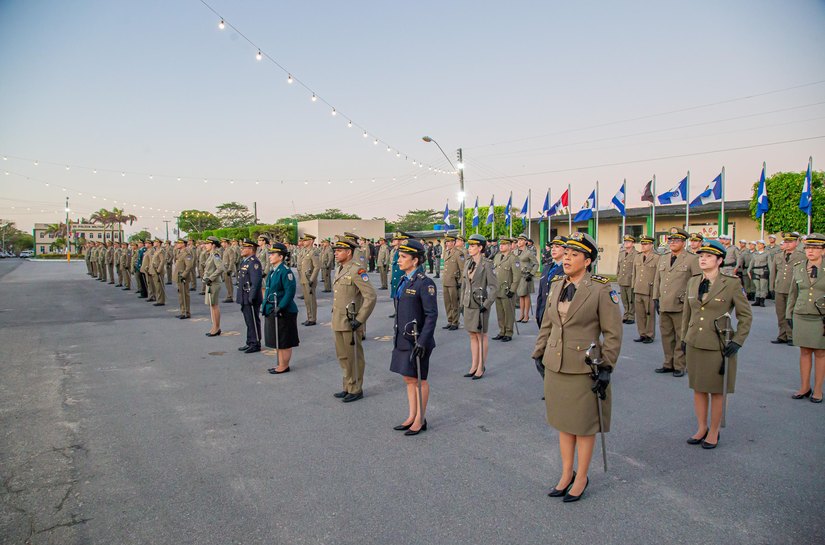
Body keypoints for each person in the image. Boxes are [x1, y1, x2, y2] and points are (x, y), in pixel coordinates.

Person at [532, 232, 622, 502]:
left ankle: (581, 476)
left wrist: (606, 366)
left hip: (584, 367)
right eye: (566, 253)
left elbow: (613, 333)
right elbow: (548, 323)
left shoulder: (601, 289)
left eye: (574, 255)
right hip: (556, 363)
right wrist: (538, 353)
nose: (567, 258)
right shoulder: (557, 283)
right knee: (563, 423)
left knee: (582, 426)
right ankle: (565, 473)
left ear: (588, 260)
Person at [681, 239, 752, 449]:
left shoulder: (731, 284)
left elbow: (746, 315)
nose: (703, 259)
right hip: (695, 342)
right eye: (701, 255)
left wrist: (738, 341)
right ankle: (701, 427)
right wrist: (684, 338)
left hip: (719, 345)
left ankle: (714, 430)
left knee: (717, 390)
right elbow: (688, 313)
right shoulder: (693, 282)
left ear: (720, 260)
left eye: (709, 256)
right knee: (698, 388)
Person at [390, 240, 438, 436]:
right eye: (399, 256)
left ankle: (420, 419)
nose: (398, 260)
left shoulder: (424, 283)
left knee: (419, 379)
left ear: (415, 260)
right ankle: (412, 415)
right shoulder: (404, 280)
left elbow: (431, 315)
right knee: (409, 378)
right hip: (403, 337)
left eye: (403, 257)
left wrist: (423, 342)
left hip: (418, 340)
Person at [331, 237, 377, 402]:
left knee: (354, 357)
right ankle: (347, 385)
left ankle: (356, 388)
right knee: (343, 356)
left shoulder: (357, 270)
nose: (336, 253)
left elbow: (370, 296)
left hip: (351, 321)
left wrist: (360, 319)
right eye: (335, 251)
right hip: (338, 319)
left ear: (349, 252)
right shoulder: (340, 269)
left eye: (339, 251)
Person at [652, 227, 701, 377]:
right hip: (665, 303)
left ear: (684, 242)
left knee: (681, 336)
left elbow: (698, 282)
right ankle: (668, 363)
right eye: (670, 240)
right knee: (666, 336)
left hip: (681, 305)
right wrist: (655, 297)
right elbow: (657, 279)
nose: (672, 243)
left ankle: (680, 365)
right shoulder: (664, 257)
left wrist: (692, 301)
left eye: (676, 240)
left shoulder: (692, 259)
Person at [786, 233, 825, 403]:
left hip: (821, 316)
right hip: (801, 313)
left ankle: (817, 389)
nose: (810, 251)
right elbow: (793, 292)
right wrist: (789, 313)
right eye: (808, 247)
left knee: (821, 353)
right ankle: (804, 387)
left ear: (823, 251)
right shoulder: (799, 266)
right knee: (804, 351)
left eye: (815, 248)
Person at [461, 234, 497, 379]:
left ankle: (481, 366)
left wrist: (487, 304)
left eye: (473, 246)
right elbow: (464, 284)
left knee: (481, 335)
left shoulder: (487, 264)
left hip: (480, 304)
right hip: (468, 303)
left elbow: (494, 288)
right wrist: (462, 303)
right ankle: (474, 365)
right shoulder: (468, 262)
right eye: (469, 246)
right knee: (472, 334)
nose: (470, 248)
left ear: (480, 247)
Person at [262, 242, 299, 374]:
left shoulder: (285, 271)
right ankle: (280, 363)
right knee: (277, 338)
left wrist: (281, 306)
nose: (270, 256)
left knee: (284, 339)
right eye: (270, 254)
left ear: (281, 257)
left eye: (273, 254)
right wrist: (264, 305)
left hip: (285, 311)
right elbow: (267, 291)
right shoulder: (273, 271)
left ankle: (284, 365)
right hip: (273, 308)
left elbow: (290, 292)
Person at [770, 232, 806, 345]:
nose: (787, 244)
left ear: (796, 242)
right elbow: (773, 272)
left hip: (794, 289)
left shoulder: (801, 256)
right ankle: (782, 335)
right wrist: (771, 287)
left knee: (790, 313)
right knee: (780, 313)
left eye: (790, 242)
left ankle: (791, 336)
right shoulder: (778, 255)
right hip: (780, 287)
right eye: (786, 242)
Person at [236, 239, 263, 353]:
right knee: (248, 320)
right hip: (244, 295)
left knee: (252, 320)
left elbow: (256, 282)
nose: (242, 250)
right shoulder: (245, 261)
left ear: (251, 249)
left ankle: (255, 343)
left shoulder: (254, 262)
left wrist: (251, 296)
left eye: (244, 248)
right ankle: (250, 341)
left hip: (250, 297)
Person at [492, 237, 521, 342]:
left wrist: (513, 290)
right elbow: (494, 272)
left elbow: (517, 276)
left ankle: (508, 332)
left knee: (508, 313)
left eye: (504, 244)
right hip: (497, 289)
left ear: (509, 246)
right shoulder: (497, 256)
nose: (501, 246)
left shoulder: (513, 258)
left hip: (507, 289)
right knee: (500, 312)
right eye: (501, 244)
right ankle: (502, 331)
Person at [632, 235, 658, 343]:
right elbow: (634, 273)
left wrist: (656, 292)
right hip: (638, 289)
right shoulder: (637, 256)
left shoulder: (657, 257)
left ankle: (649, 335)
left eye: (645, 244)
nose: (643, 246)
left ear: (651, 245)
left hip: (649, 290)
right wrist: (633, 286)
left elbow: (658, 276)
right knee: (640, 314)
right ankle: (642, 333)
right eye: (642, 244)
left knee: (650, 314)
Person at [536, 235, 567, 328]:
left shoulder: (567, 269)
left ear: (566, 250)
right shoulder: (547, 267)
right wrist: (538, 314)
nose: (553, 249)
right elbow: (541, 294)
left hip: (558, 316)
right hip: (544, 313)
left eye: (557, 247)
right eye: (552, 247)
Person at [203, 236, 225, 336]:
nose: (205, 245)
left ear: (213, 245)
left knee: (214, 305)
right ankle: (214, 326)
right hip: (210, 282)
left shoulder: (215, 255)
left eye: (208, 244)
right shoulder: (211, 255)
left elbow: (221, 268)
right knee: (212, 306)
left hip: (214, 283)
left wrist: (211, 278)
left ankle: (216, 328)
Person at [441, 235, 464, 331]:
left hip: (454, 281)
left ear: (454, 242)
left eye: (449, 242)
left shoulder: (459, 253)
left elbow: (462, 269)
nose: (447, 243)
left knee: (454, 303)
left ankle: (455, 322)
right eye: (446, 242)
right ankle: (450, 320)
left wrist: (460, 281)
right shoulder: (446, 252)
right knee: (447, 303)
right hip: (446, 281)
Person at [514, 234, 539, 322]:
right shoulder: (515, 252)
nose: (519, 242)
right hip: (518, 276)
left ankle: (526, 315)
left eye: (521, 240)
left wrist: (531, 274)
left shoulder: (529, 252)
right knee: (520, 295)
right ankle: (521, 314)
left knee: (525, 295)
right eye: (518, 240)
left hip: (526, 275)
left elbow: (536, 264)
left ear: (525, 242)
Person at [298, 234, 320, 326]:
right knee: (307, 300)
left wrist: (312, 279)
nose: (304, 242)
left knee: (311, 299)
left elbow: (317, 266)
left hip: (309, 278)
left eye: (306, 240)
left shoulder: (313, 252)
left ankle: (312, 318)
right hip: (303, 278)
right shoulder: (304, 251)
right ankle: (309, 317)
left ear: (311, 241)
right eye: (304, 241)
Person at [616, 235, 637, 324]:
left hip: (630, 280)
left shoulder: (636, 254)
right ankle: (626, 315)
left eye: (628, 242)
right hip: (622, 280)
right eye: (625, 242)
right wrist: (618, 276)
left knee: (631, 299)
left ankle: (631, 316)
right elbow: (618, 267)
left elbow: (636, 269)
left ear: (632, 243)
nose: (626, 243)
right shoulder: (621, 253)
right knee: (624, 299)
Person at [174, 238, 195, 319]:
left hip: (183, 277)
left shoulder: (187, 253)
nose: (177, 244)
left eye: (179, 243)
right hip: (179, 276)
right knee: (180, 295)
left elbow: (189, 266)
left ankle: (186, 312)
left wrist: (184, 275)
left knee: (184, 295)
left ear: (183, 244)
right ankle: (183, 311)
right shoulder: (180, 252)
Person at [748, 240, 770, 307]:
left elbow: (770, 263)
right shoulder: (755, 253)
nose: (759, 245)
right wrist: (748, 270)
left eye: (760, 244)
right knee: (757, 287)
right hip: (756, 270)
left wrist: (771, 272)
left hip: (763, 270)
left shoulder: (767, 253)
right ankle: (757, 300)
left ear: (763, 245)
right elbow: (752, 262)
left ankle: (762, 301)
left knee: (763, 286)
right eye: (758, 244)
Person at [150, 238, 167, 306]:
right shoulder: (156, 250)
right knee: (157, 286)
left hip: (158, 271)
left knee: (159, 286)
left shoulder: (161, 251)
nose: (154, 243)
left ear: (159, 243)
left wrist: (159, 270)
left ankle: (161, 301)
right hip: (154, 270)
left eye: (155, 242)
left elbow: (162, 261)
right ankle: (158, 299)